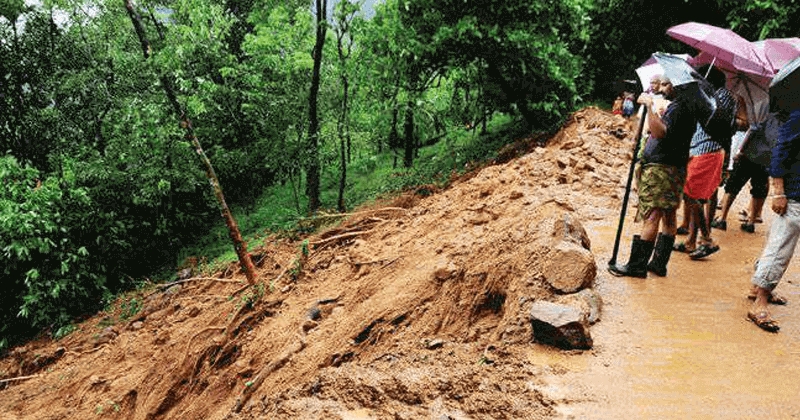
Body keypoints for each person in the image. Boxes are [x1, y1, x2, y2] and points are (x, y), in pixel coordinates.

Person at [609, 77, 699, 278]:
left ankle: (637, 266)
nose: (663, 89)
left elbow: (659, 133)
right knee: (668, 215)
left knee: (652, 214)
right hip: (674, 167)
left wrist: (650, 107)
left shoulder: (679, 107)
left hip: (662, 168)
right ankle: (658, 263)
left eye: (667, 84)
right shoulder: (687, 106)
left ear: (678, 86)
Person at [746, 107, 799, 332]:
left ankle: (758, 287)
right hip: (795, 193)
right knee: (781, 246)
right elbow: (780, 150)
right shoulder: (797, 117)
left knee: (778, 241)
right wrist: (778, 191)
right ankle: (760, 301)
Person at [713, 114, 781, 233]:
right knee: (758, 190)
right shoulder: (784, 120)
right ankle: (751, 222)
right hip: (766, 159)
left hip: (749, 155)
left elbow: (752, 131)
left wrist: (740, 151)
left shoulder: (764, 114)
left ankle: (722, 218)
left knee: (733, 186)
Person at [672, 122, 726, 259]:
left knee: (692, 195)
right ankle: (691, 241)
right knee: (695, 196)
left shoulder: (719, 101)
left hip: (707, 151)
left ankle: (707, 239)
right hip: (699, 150)